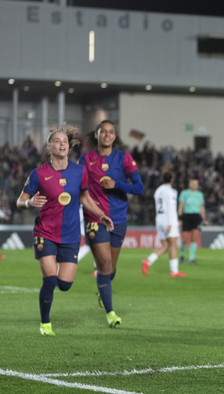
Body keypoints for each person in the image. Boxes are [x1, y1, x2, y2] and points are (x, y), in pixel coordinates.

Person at [17, 123, 114, 335]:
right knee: (50, 279)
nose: (62, 144)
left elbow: (85, 198)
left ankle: (49, 306)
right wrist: (29, 203)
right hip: (45, 233)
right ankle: (45, 324)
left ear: (68, 147)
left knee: (64, 284)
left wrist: (101, 215)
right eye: (57, 141)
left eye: (64, 141)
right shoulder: (38, 174)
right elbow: (20, 201)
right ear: (49, 147)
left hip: (70, 236)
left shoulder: (80, 171)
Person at [79, 120, 144, 326]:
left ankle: (102, 289)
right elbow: (78, 188)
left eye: (111, 132)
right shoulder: (85, 159)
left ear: (114, 137)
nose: (107, 135)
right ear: (97, 135)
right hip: (94, 219)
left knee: (111, 269)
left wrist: (117, 184)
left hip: (118, 220)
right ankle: (110, 314)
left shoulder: (124, 158)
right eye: (103, 132)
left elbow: (140, 188)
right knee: (105, 265)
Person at [142, 172, 186, 277]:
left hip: (160, 221)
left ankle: (148, 261)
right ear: (172, 179)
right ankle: (174, 271)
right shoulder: (172, 192)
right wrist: (170, 222)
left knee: (165, 246)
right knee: (173, 245)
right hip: (168, 221)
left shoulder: (158, 191)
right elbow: (170, 208)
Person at [178, 178, 208, 265]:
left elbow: (201, 207)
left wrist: (204, 219)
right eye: (193, 183)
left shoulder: (199, 194)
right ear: (189, 184)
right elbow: (181, 206)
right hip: (186, 216)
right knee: (184, 238)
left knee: (194, 238)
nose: (194, 185)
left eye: (196, 184)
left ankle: (191, 259)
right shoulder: (184, 193)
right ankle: (182, 256)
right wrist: (179, 218)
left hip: (196, 217)